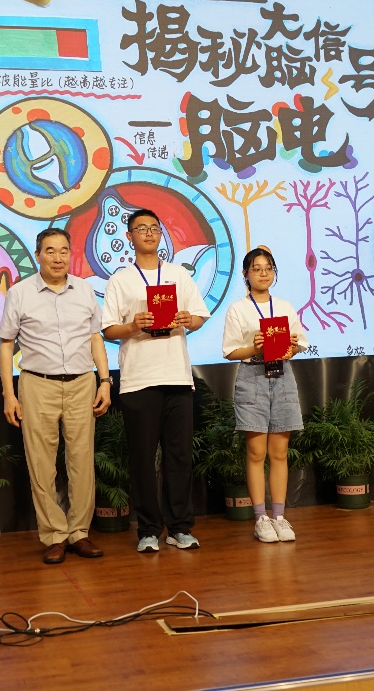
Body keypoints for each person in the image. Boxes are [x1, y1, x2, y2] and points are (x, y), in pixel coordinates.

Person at [0, 227, 112, 564]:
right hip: (37, 384)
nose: (58, 258)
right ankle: (53, 535)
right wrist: (9, 394)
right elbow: (6, 344)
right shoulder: (20, 293)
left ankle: (79, 533)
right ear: (38, 255)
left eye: (64, 250)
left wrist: (105, 381)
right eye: (50, 251)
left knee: (81, 460)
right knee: (41, 463)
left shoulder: (85, 290)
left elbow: (95, 338)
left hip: (82, 383)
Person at [101, 209, 210, 553]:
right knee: (143, 458)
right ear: (129, 236)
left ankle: (180, 527)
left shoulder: (178, 274)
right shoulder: (120, 280)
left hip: (177, 376)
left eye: (154, 228)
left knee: (179, 457)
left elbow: (199, 317)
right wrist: (133, 326)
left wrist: (188, 319)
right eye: (141, 228)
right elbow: (108, 329)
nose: (148, 233)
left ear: (161, 233)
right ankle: (148, 529)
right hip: (138, 379)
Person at [220, 246, 307, 543]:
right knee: (256, 453)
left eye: (268, 268)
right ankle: (261, 518)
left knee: (280, 452)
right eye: (256, 269)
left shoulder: (284, 306)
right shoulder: (238, 309)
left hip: (282, 376)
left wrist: (290, 347)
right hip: (252, 377)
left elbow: (299, 344)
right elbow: (231, 351)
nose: (263, 273)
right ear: (245, 274)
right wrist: (255, 347)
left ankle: (280, 517)